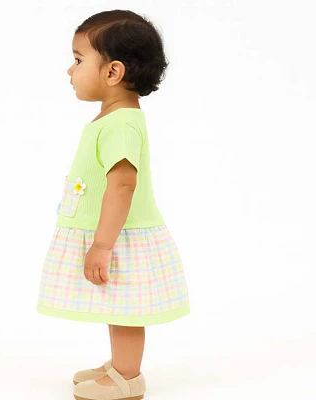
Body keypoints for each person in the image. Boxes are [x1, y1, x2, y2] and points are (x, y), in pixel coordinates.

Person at [36, 9, 190, 400]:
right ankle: (120, 364)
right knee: (118, 305)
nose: (69, 70)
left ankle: (128, 376)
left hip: (121, 235)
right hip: (114, 232)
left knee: (126, 311)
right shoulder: (112, 119)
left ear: (113, 72)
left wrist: (102, 244)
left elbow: (122, 184)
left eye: (77, 60)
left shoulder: (121, 123)